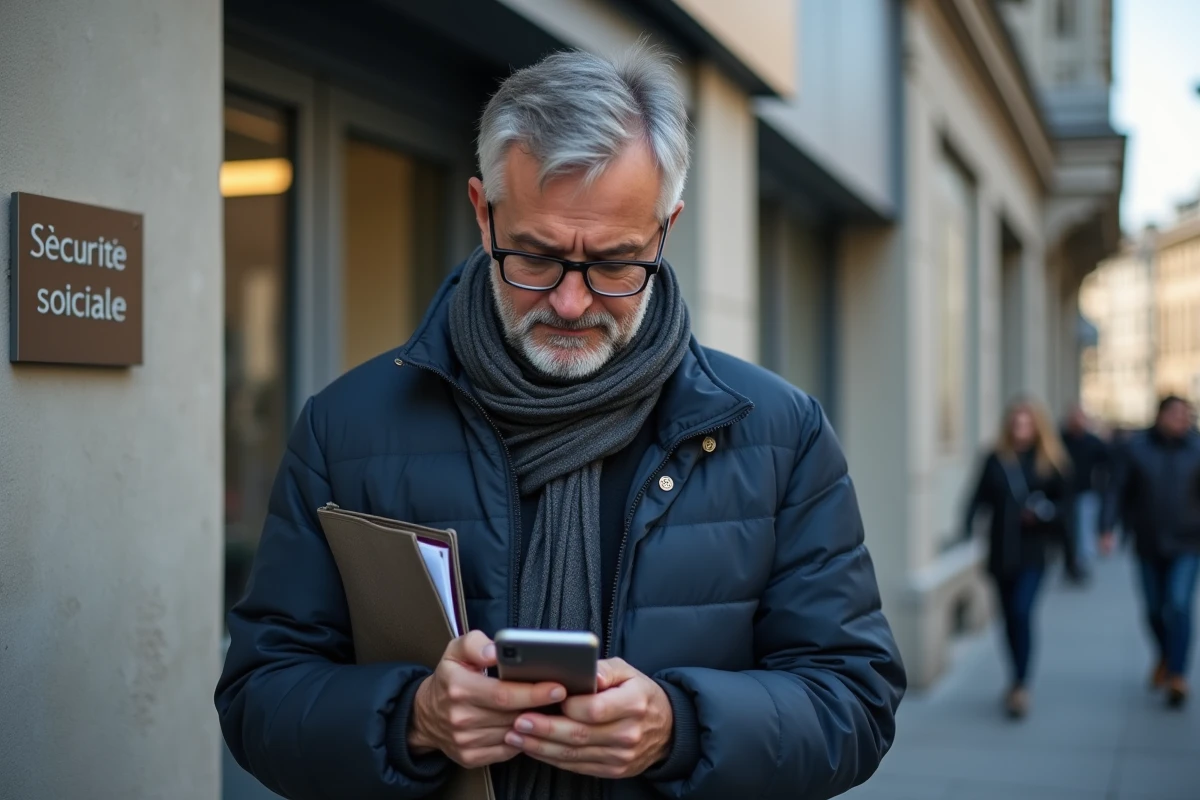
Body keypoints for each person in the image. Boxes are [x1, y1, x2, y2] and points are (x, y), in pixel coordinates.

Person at [215, 45, 905, 800]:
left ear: (666, 229)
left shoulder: (780, 434)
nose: (571, 303)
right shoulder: (343, 429)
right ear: (483, 214)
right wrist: (412, 718)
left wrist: (681, 727)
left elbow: (857, 701)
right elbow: (259, 697)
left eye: (615, 263)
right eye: (536, 257)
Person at [966, 398, 1073, 719]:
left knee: (1021, 611)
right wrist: (966, 528)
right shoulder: (995, 459)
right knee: (1008, 619)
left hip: (1033, 553)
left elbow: (1066, 509)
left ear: (1037, 427)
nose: (1021, 429)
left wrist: (1044, 517)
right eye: (1016, 423)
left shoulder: (1050, 462)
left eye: (1027, 423)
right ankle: (1015, 675)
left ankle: (1021, 685)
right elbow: (977, 498)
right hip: (1001, 552)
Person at [1101, 395, 1200, 708]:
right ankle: (1165, 655)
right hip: (1148, 542)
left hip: (1188, 541)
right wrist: (1106, 527)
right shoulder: (1136, 448)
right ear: (1159, 416)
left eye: (1185, 415)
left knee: (1179, 604)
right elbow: (1116, 489)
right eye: (1174, 414)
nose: (1180, 420)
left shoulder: (1197, 449)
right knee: (1154, 609)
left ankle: (1177, 674)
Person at [1060, 405, 1111, 583]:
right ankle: (1070, 564)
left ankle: (1081, 563)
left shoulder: (1092, 442)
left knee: (1084, 529)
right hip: (1064, 493)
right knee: (1068, 530)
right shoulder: (1061, 439)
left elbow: (1108, 461)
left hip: (1086, 491)